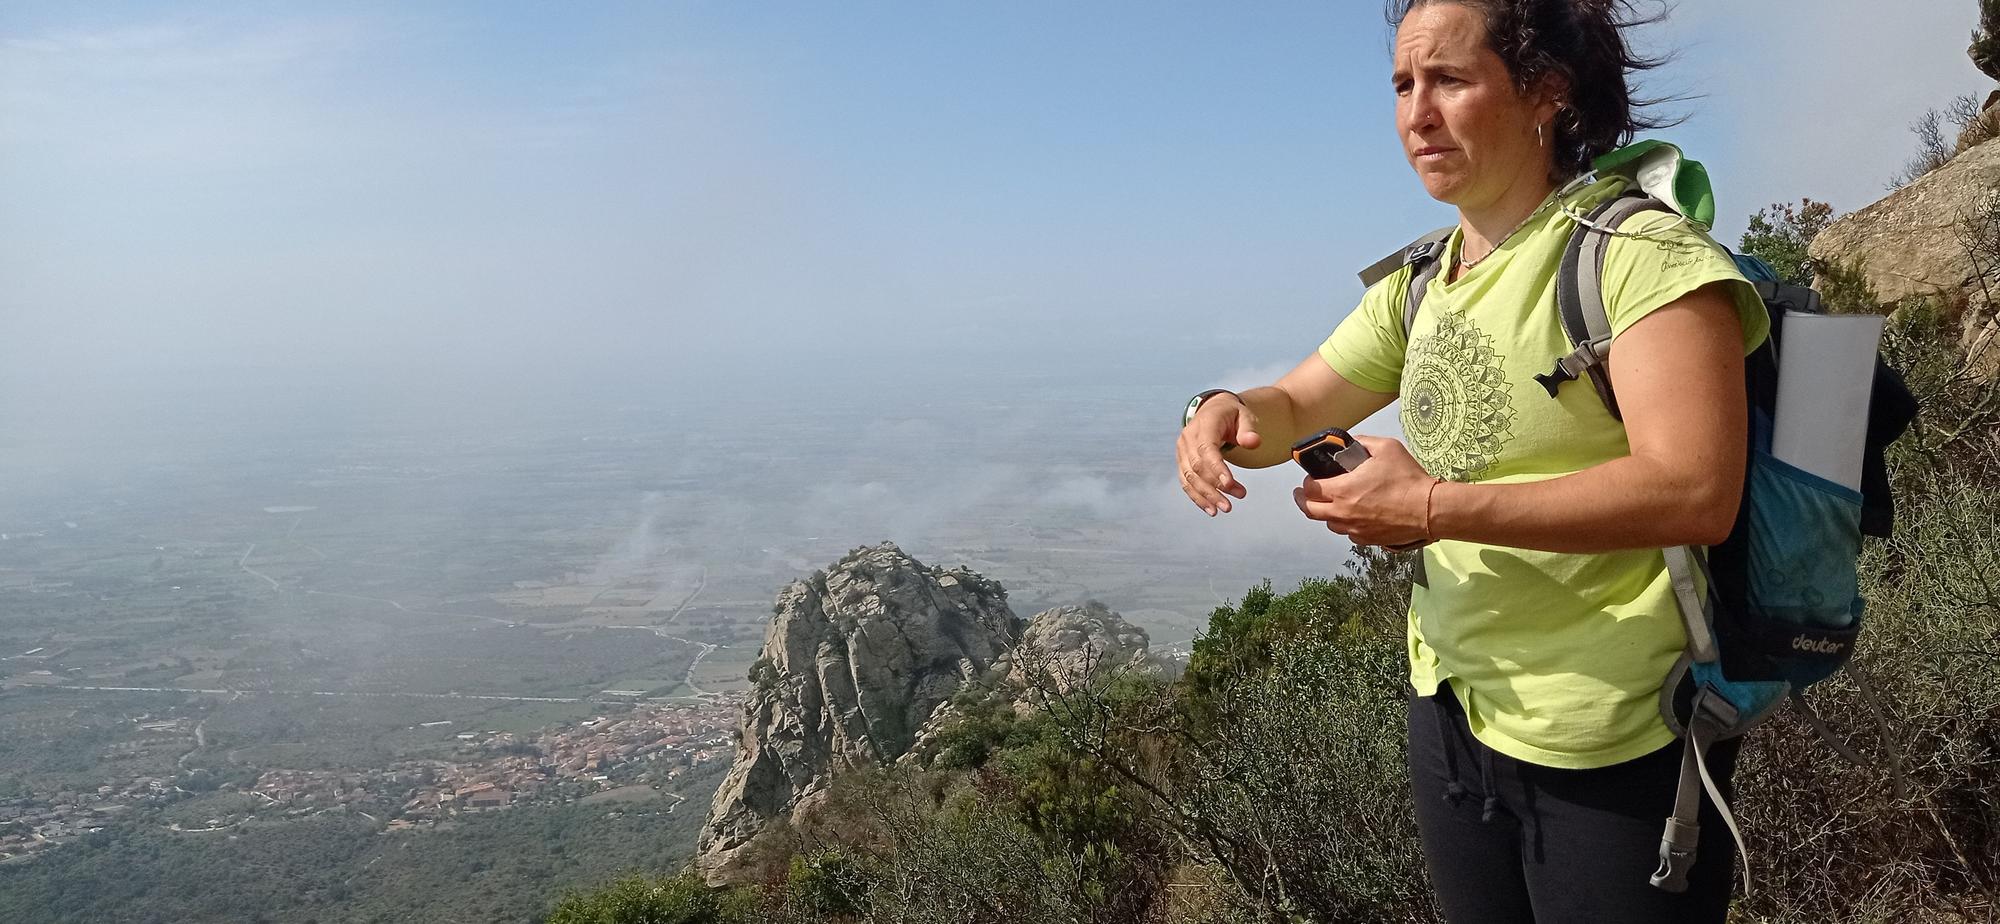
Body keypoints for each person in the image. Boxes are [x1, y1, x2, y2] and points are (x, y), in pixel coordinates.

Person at [1173, 2, 1773, 921]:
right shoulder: (1426, 278)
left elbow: (1694, 489)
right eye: (1404, 85)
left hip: (1608, 734)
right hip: (1452, 710)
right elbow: (1291, 408)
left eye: (1449, 80)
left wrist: (1431, 508)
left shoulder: (1638, 256)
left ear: (1546, 90)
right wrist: (1217, 410)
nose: (1417, 115)